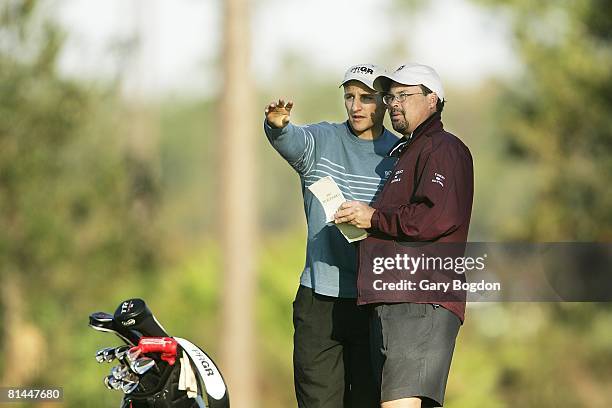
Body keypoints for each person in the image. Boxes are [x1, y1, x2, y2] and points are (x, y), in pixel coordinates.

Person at [334, 63, 474, 408]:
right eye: (390, 96)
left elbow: (436, 215)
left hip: (419, 297)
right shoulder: (408, 152)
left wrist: (374, 217)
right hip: (394, 300)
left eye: (404, 95)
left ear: (432, 100)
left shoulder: (442, 147)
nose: (394, 103)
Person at [264, 64, 399, 408]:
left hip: (374, 302)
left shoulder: (401, 155)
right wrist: (277, 125)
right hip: (319, 302)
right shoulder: (323, 140)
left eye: (366, 98)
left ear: (383, 102)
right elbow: (293, 140)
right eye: (349, 96)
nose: (355, 106)